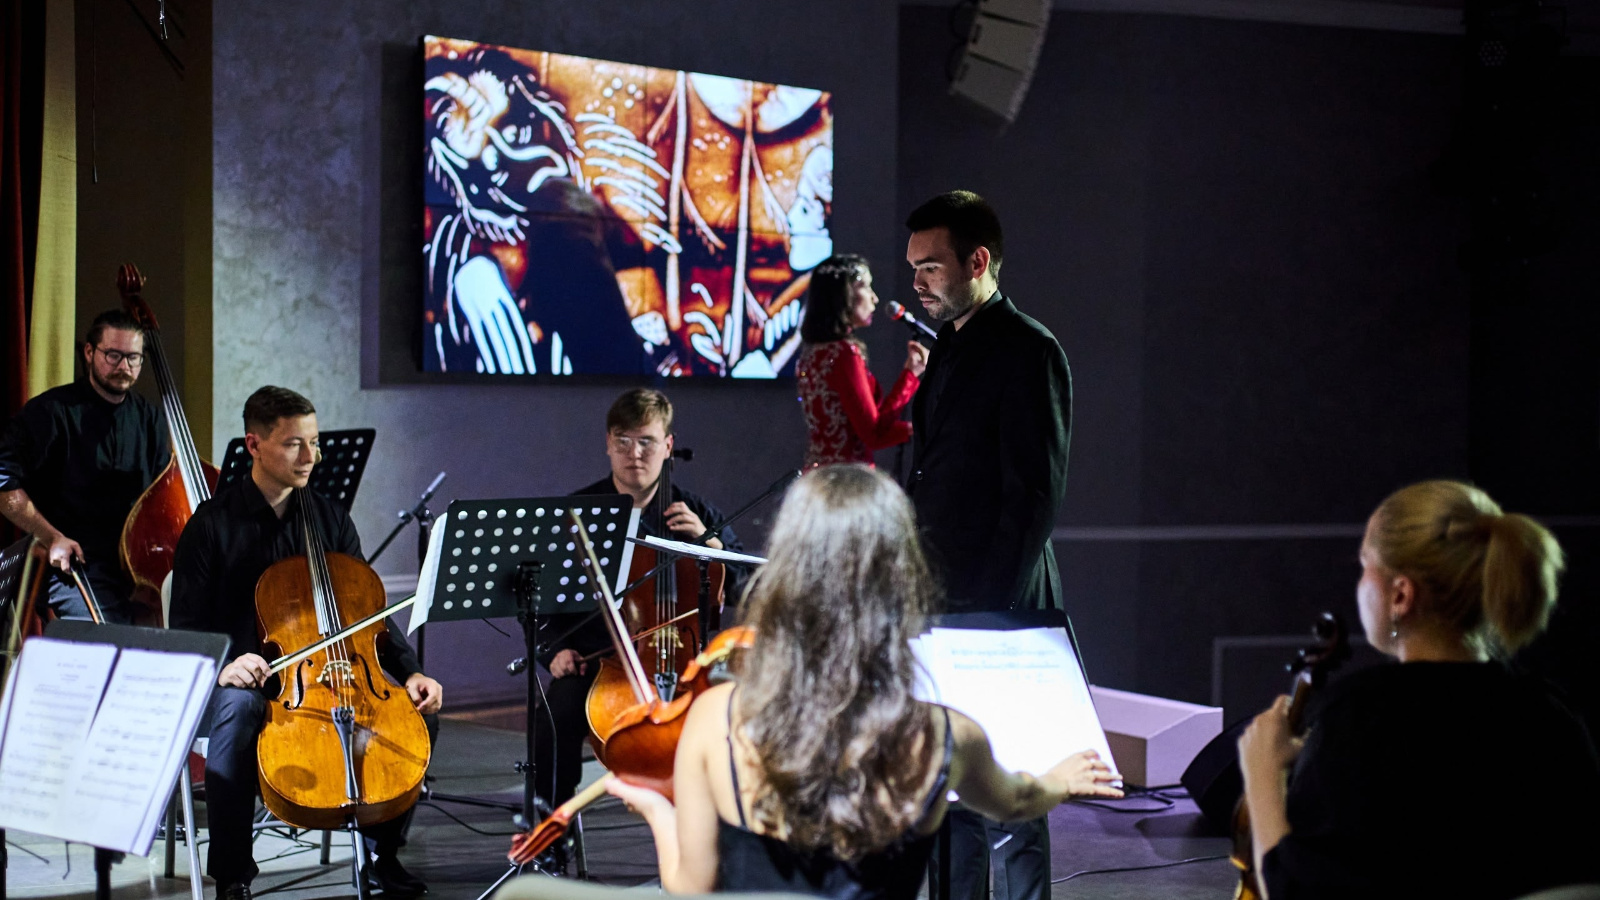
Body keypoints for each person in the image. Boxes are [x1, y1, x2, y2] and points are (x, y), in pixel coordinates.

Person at [605, 464, 1121, 896]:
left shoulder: (714, 720)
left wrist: (657, 809)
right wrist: (1060, 780)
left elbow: (690, 887)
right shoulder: (944, 736)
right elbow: (1018, 800)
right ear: (902, 577)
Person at [1238, 480, 1600, 900]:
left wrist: (1262, 774)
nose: (1359, 583)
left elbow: (1296, 892)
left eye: (1365, 565)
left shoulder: (1360, 718)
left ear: (1401, 594)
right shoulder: (1553, 716)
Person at [169, 386, 444, 900]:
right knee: (239, 710)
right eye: (295, 444)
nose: (310, 457)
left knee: (416, 713)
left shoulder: (330, 519)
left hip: (325, 674)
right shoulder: (211, 525)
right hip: (235, 682)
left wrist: (411, 672)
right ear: (254, 445)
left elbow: (367, 616)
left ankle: (382, 856)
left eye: (314, 443)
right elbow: (185, 627)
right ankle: (232, 874)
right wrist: (225, 664)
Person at [903, 191, 1072, 900]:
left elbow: (1033, 495)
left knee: (1014, 789)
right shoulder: (947, 343)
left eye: (931, 266)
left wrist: (990, 612)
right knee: (949, 784)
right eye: (913, 266)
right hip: (938, 598)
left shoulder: (1030, 348)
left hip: (999, 602)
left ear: (978, 262)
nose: (917, 280)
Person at [532, 388, 749, 815]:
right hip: (601, 663)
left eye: (647, 441)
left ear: (668, 446)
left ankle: (728, 827)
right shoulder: (578, 513)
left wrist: (713, 545)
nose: (635, 454)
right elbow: (539, 600)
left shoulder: (696, 513)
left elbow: (746, 586)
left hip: (687, 665)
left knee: (739, 713)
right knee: (554, 716)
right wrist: (555, 651)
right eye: (624, 441)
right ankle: (552, 828)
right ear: (608, 444)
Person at [0, 309, 171, 622]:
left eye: (133, 358)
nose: (124, 366)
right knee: (105, 639)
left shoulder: (151, 419)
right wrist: (52, 537)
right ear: (90, 353)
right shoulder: (50, 412)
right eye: (113, 355)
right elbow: (4, 484)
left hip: (135, 571)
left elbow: (163, 498)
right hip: (73, 561)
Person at [795, 254, 926, 469]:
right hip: (847, 479)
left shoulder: (811, 353)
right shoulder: (843, 353)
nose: (875, 298)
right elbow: (873, 433)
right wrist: (910, 377)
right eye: (865, 286)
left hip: (817, 476)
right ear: (843, 295)